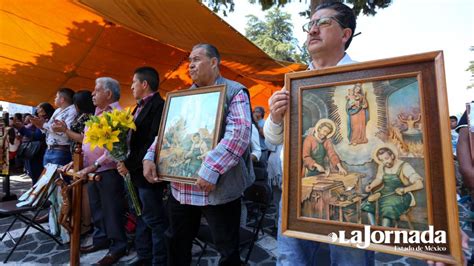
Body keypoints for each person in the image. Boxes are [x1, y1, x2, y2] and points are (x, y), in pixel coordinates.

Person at [264, 2, 375, 265]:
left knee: (350, 261)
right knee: (292, 260)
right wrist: (276, 117)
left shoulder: (366, 76)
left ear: (345, 34)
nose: (313, 30)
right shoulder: (295, 82)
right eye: (310, 24)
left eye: (323, 23)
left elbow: (333, 152)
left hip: (339, 200)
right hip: (294, 194)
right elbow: (272, 139)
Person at [143, 43, 254, 265]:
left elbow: (239, 133)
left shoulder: (235, 91)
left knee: (227, 250)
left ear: (214, 62)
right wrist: (149, 157)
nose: (190, 66)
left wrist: (211, 168)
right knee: (176, 243)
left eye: (196, 60)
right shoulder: (182, 98)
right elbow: (167, 133)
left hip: (218, 188)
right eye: (189, 61)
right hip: (181, 189)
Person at [116, 66, 167, 265]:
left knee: (154, 220)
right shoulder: (137, 107)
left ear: (144, 84)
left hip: (147, 173)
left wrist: (128, 163)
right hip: (134, 172)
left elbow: (153, 141)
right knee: (141, 216)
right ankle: (144, 256)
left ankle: (159, 260)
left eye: (133, 83)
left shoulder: (159, 106)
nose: (131, 87)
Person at [77, 77, 127, 265]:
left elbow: (114, 149)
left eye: (96, 90)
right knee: (97, 209)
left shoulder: (118, 114)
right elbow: (86, 142)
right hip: (91, 170)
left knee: (111, 210)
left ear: (108, 93)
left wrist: (95, 165)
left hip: (108, 171)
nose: (92, 94)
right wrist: (76, 162)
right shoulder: (96, 114)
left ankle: (117, 247)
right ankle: (101, 239)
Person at [362, 146, 423, 227]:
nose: (385, 162)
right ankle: (374, 228)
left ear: (392, 156)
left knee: (388, 208)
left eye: (386, 158)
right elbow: (379, 179)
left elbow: (419, 184)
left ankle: (383, 232)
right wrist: (371, 186)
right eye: (382, 160)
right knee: (369, 203)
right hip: (384, 192)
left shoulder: (404, 166)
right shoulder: (382, 166)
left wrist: (404, 190)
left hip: (401, 195)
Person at [30, 88, 76, 167]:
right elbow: (49, 129)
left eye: (56, 97)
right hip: (49, 149)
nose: (55, 99)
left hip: (61, 150)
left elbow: (65, 131)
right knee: (47, 178)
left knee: (58, 178)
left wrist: (43, 124)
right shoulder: (57, 110)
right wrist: (40, 125)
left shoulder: (73, 110)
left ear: (62, 99)